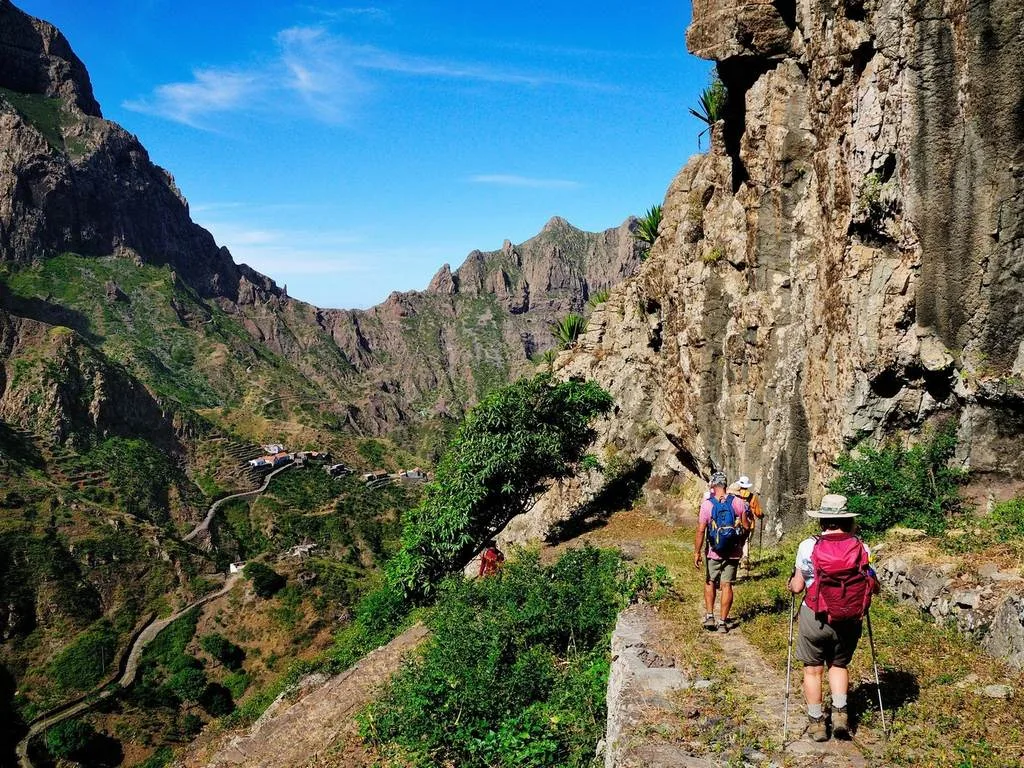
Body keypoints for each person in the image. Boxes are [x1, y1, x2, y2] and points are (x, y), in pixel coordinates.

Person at [788, 493, 876, 742]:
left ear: (822, 521)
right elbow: (873, 583)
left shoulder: (808, 546)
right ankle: (840, 716)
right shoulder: (861, 547)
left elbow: (797, 586)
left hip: (814, 616)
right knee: (838, 665)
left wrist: (792, 583)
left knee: (813, 670)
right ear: (848, 520)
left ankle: (817, 723)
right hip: (848, 618)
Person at [694, 471, 751, 633]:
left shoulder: (707, 504)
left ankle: (710, 616)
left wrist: (697, 552)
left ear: (713, 485)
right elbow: (746, 527)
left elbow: (700, 531)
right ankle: (722, 622)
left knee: (710, 581)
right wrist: (740, 540)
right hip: (733, 551)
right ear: (725, 485)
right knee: (727, 585)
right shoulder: (738, 502)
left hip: (714, 551)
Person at [734, 475, 764, 573]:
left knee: (737, 541)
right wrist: (761, 515)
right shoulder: (752, 496)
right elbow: (758, 512)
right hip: (749, 523)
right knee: (746, 541)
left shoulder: (735, 496)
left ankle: (736, 559)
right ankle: (745, 559)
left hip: (737, 523)